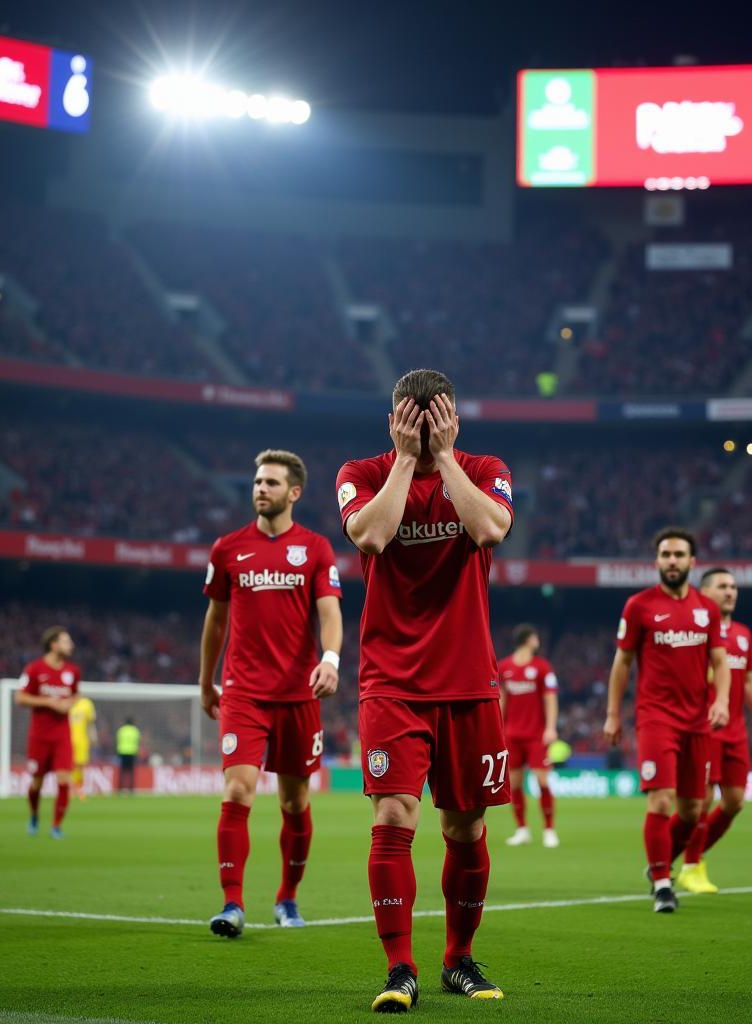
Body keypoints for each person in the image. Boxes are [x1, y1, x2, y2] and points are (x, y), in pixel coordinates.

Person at [337, 368, 513, 1011]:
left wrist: (443, 457)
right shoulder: (359, 474)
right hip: (392, 682)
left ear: (453, 417)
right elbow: (372, 535)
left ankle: (458, 959)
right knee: (393, 817)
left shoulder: (485, 466)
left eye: (432, 416)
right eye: (410, 417)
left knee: (465, 830)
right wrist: (408, 461)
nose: (420, 424)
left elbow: (490, 530)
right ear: (392, 419)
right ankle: (398, 967)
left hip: (469, 680)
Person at [201, 449, 342, 937]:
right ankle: (232, 903)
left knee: (294, 801)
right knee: (238, 788)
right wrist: (206, 679)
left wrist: (331, 658)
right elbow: (216, 620)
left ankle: (287, 897)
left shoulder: (316, 549)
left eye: (272, 483)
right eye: (258, 481)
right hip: (243, 693)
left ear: (294, 493)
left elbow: (329, 612)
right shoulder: (227, 548)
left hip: (298, 695)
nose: (261, 488)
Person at [603, 527, 730, 913]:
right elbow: (622, 662)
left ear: (692, 562)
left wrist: (722, 699)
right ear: (656, 561)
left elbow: (719, 660)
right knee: (660, 800)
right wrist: (613, 713)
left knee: (693, 811)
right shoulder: (639, 605)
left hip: (697, 721)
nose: (671, 561)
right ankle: (662, 882)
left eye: (678, 555)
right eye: (665, 555)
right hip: (656, 717)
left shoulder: (707, 609)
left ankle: (659, 863)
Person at [677, 568, 752, 894]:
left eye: (733, 587)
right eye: (723, 586)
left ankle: (692, 854)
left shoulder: (743, 634)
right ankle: (690, 866)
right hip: (704, 727)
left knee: (734, 802)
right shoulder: (692, 630)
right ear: (705, 593)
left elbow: (748, 679)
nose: (730, 592)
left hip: (736, 730)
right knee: (700, 801)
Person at [14, 626, 80, 838]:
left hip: (62, 736)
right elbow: (20, 698)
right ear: (54, 645)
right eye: (66, 641)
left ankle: (56, 826)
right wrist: (50, 702)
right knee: (37, 783)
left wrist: (69, 703)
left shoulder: (73, 672)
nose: (71, 645)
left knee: (64, 780)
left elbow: (76, 695)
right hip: (39, 736)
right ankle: (34, 814)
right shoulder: (34, 669)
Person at [499, 624, 560, 848]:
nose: (538, 641)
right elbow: (501, 699)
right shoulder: (504, 667)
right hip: (512, 735)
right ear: (528, 640)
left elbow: (550, 698)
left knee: (542, 780)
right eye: (536, 637)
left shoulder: (543, 668)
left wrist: (551, 727)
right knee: (514, 783)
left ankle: (549, 830)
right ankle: (522, 829)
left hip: (536, 735)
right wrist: (499, 728)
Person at [69, 694, 97, 799]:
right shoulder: (66, 702)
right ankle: (70, 789)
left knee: (80, 765)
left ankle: (79, 789)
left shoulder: (86, 704)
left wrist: (93, 736)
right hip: (66, 740)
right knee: (68, 765)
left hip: (82, 740)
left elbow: (91, 723)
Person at [116, 718, 140, 794]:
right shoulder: (135, 730)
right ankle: (131, 789)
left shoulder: (121, 730)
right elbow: (137, 741)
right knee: (131, 772)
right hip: (132, 752)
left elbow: (118, 740)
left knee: (122, 771)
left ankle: (120, 788)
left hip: (122, 752)